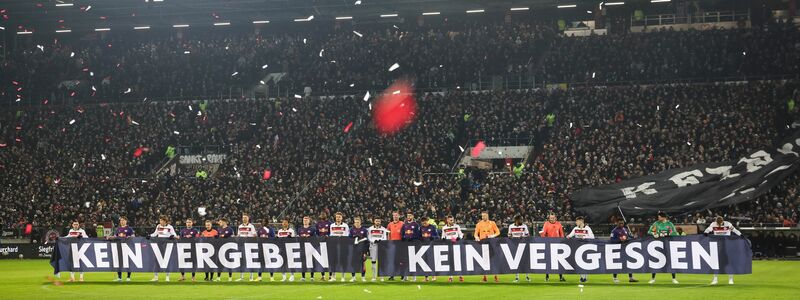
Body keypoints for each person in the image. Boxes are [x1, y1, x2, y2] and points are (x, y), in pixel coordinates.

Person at [704, 216, 742, 285]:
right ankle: (715, 279)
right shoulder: (713, 224)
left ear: (722, 221)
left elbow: (735, 230)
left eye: (720, 223)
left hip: (727, 245)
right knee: (715, 263)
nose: (719, 225)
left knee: (730, 262)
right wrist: (705, 233)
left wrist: (740, 235)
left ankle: (731, 279)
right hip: (717, 245)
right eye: (718, 224)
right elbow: (708, 229)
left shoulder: (728, 224)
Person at [648, 212, 679, 284]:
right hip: (658, 245)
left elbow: (675, 233)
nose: (658, 218)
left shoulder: (669, 224)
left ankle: (674, 278)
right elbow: (649, 231)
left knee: (671, 261)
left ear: (663, 217)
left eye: (659, 217)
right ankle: (653, 278)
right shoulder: (656, 224)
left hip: (668, 244)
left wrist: (665, 234)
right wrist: (654, 233)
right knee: (655, 261)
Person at [567, 216, 594, 288]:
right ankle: (582, 277)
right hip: (578, 248)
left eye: (577, 221)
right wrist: (568, 236)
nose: (576, 222)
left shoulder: (587, 228)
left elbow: (592, 237)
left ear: (581, 221)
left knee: (585, 262)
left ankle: (585, 277)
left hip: (586, 247)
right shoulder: (575, 228)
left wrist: (584, 237)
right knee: (579, 262)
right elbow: (570, 235)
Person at [474, 211, 500, 283]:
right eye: (482, 216)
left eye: (484, 216)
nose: (483, 217)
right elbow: (476, 233)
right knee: (484, 261)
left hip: (491, 243)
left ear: (487, 216)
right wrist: (476, 237)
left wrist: (492, 236)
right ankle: (485, 277)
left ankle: (496, 277)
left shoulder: (492, 223)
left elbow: (498, 232)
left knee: (493, 260)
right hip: (483, 243)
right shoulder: (479, 224)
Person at [149, 215, 176, 282]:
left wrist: (172, 236)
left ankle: (167, 276)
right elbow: (155, 234)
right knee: (156, 260)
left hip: (167, 245)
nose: (160, 221)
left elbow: (174, 235)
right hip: (159, 244)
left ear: (165, 221)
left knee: (166, 261)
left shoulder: (170, 227)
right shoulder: (158, 226)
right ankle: (156, 277)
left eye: (161, 220)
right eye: (160, 220)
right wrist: (149, 235)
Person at [540, 213, 565, 282]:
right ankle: (547, 276)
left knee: (559, 261)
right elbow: (543, 234)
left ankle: (561, 277)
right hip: (549, 244)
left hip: (557, 244)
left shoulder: (559, 224)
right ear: (549, 218)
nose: (552, 219)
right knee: (548, 261)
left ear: (555, 218)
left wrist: (562, 242)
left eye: (553, 218)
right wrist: (542, 235)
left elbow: (562, 234)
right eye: (551, 218)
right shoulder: (546, 224)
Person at [441, 215, 465, 283]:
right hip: (449, 246)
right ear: (447, 220)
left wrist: (459, 238)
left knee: (458, 261)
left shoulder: (457, 226)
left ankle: (460, 276)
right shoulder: (444, 228)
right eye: (450, 220)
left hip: (456, 245)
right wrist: (443, 239)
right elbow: (443, 236)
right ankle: (450, 277)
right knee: (450, 261)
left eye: (452, 220)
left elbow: (461, 234)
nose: (452, 221)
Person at [366, 216, 390, 282]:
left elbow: (385, 237)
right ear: (374, 221)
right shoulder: (370, 229)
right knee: (373, 261)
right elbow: (369, 237)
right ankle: (373, 277)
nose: (377, 222)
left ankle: (381, 276)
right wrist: (373, 241)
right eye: (376, 221)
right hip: (373, 246)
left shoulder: (383, 229)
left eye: (379, 221)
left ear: (380, 222)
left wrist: (380, 240)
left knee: (381, 262)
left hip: (381, 247)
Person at [508, 215, 530, 283]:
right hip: (515, 246)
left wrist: (523, 236)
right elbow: (509, 235)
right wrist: (510, 236)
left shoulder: (524, 226)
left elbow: (528, 235)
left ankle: (527, 276)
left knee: (525, 261)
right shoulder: (511, 226)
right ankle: (517, 277)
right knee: (516, 262)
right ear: (516, 220)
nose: (522, 221)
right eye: (520, 219)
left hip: (523, 245)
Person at [328, 212, 350, 282]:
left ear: (342, 218)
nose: (338, 218)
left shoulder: (345, 225)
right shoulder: (331, 225)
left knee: (342, 261)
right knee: (333, 261)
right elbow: (331, 235)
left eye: (339, 217)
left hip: (342, 245)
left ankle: (343, 277)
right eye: (337, 217)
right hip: (334, 245)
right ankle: (333, 276)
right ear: (335, 217)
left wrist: (342, 237)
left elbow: (347, 235)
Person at [112, 216, 134, 282]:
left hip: (127, 247)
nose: (122, 221)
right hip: (119, 247)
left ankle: (128, 277)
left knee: (127, 262)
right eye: (121, 220)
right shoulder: (118, 229)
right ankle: (119, 277)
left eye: (123, 220)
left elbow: (133, 236)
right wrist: (110, 237)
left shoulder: (129, 228)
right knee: (119, 262)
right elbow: (115, 236)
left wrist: (130, 237)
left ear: (126, 221)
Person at [419, 216, 440, 282]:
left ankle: (434, 276)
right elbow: (419, 236)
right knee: (424, 262)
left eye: (425, 221)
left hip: (431, 246)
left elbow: (437, 237)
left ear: (427, 220)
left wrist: (432, 237)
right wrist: (421, 238)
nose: (424, 222)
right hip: (423, 246)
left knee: (431, 262)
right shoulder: (421, 228)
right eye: (422, 221)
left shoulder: (432, 227)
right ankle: (426, 277)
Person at [237, 214, 257, 282]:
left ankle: (251, 277)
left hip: (249, 246)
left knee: (250, 261)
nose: (244, 219)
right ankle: (241, 277)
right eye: (243, 218)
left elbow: (254, 236)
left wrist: (249, 238)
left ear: (248, 218)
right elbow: (238, 235)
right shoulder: (240, 226)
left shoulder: (251, 226)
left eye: (245, 218)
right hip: (242, 245)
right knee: (242, 261)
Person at [401, 212, 420, 282]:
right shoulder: (404, 224)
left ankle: (414, 277)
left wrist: (413, 238)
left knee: (413, 260)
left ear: (413, 216)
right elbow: (402, 233)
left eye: (410, 215)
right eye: (407, 216)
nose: (408, 217)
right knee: (405, 260)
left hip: (413, 244)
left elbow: (418, 234)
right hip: (406, 244)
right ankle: (405, 277)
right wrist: (403, 237)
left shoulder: (416, 224)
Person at [386, 211, 404, 281]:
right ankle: (392, 275)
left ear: (399, 216)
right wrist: (388, 242)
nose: (395, 217)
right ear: (392, 216)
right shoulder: (389, 224)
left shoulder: (402, 224)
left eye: (396, 215)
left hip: (400, 244)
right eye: (394, 215)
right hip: (392, 244)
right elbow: (388, 234)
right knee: (392, 260)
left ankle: (402, 274)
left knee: (401, 260)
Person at [297, 216, 316, 281]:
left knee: (311, 262)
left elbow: (315, 238)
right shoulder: (299, 229)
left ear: (309, 221)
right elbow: (298, 238)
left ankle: (312, 277)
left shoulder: (312, 229)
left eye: (306, 220)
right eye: (304, 220)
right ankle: (303, 277)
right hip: (302, 247)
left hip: (310, 247)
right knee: (303, 262)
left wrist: (309, 236)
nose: (305, 221)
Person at [349, 216, 368, 282]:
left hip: (362, 249)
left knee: (363, 263)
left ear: (360, 222)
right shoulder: (351, 230)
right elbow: (349, 240)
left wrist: (365, 252)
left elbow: (366, 241)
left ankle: (363, 277)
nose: (357, 223)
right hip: (354, 249)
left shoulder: (364, 230)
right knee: (353, 263)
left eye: (358, 222)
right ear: (354, 223)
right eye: (355, 222)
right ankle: (353, 277)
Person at [315, 212, 333, 280]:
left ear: (326, 215)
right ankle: (323, 276)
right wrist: (319, 238)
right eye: (321, 214)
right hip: (321, 243)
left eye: (324, 214)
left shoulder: (330, 223)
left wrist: (328, 236)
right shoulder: (318, 224)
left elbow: (331, 233)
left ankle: (330, 275)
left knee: (329, 259)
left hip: (328, 243)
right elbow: (316, 233)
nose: (322, 215)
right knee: (322, 260)